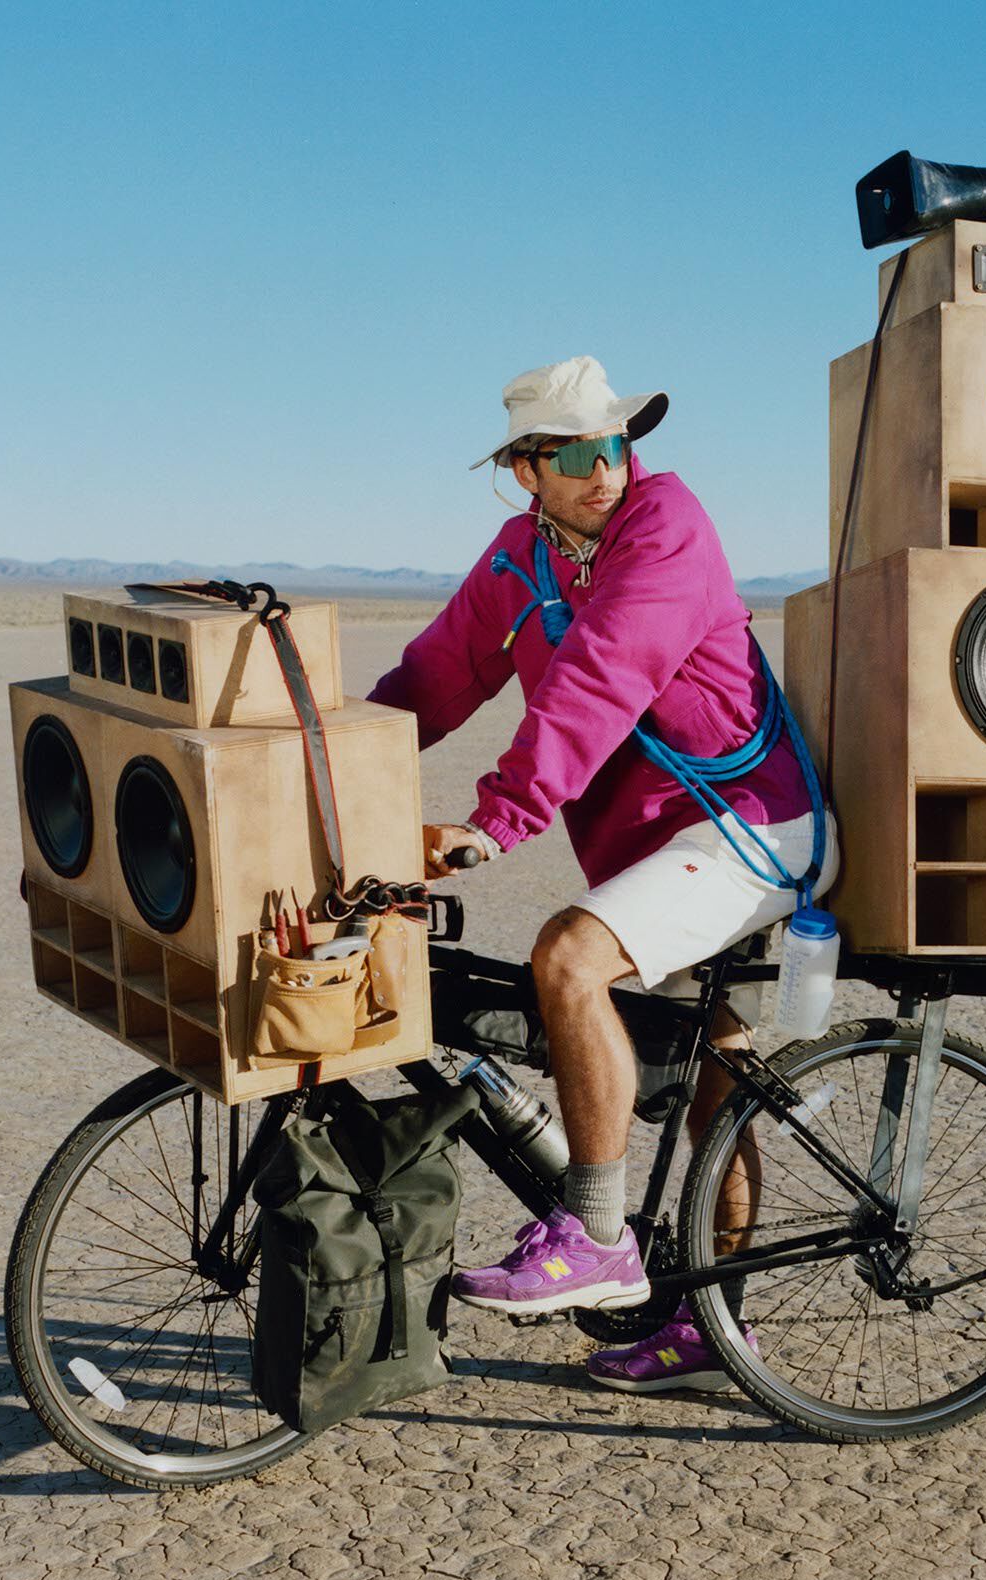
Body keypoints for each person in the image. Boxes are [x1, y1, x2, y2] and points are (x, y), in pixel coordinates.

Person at [367, 355, 837, 1391]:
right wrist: (332, 762)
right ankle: (713, 1337)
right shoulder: (518, 557)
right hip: (655, 851)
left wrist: (497, 821)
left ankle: (595, 1233)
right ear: (524, 468)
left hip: (747, 826)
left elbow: (602, 675)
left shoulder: (664, 526)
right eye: (576, 452)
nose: (604, 468)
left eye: (616, 442)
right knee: (716, 1072)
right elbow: (437, 671)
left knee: (568, 959)